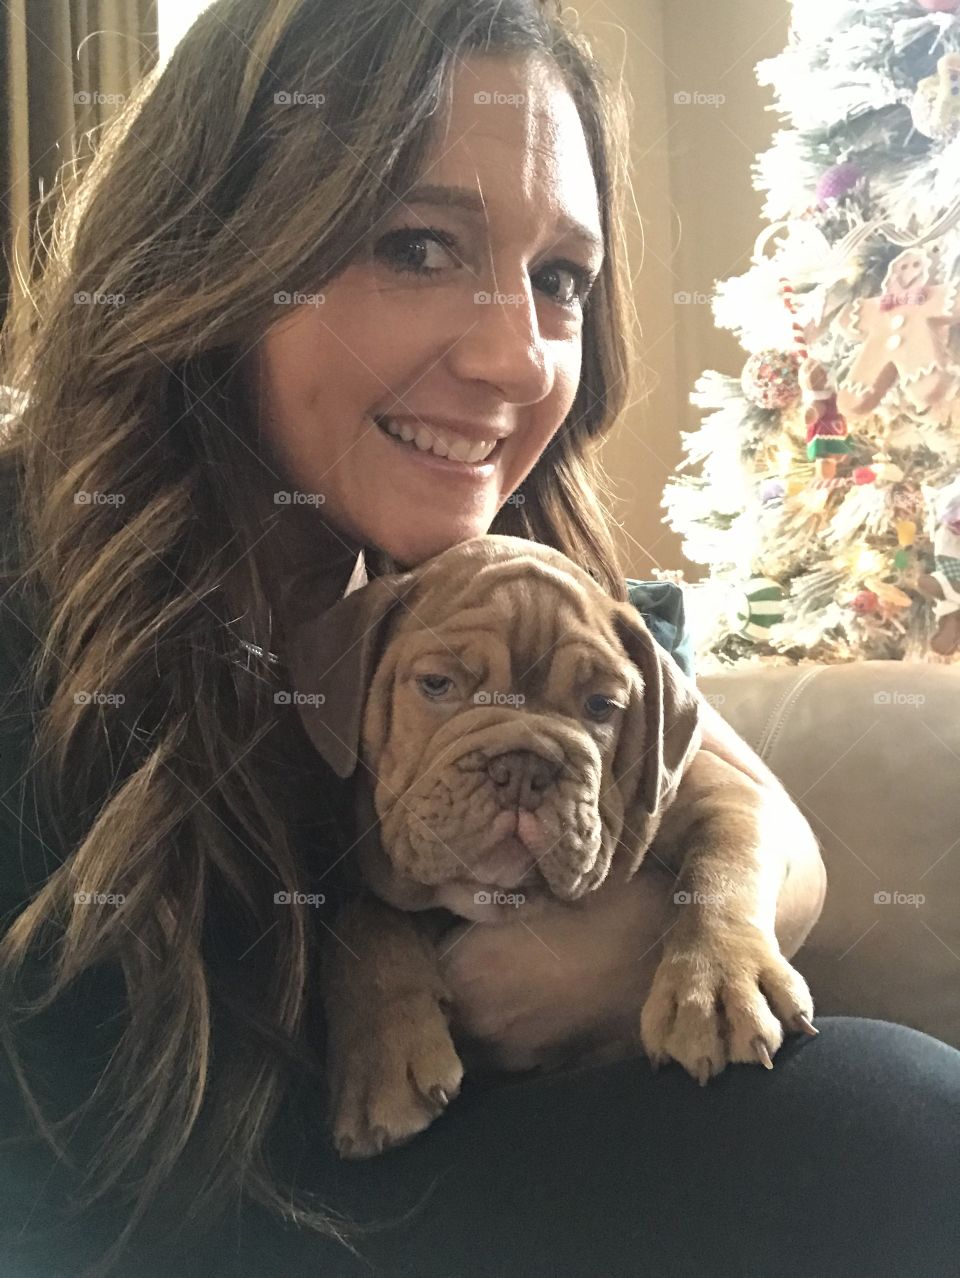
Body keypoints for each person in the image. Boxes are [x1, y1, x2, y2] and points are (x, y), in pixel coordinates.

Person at [0, 1, 957, 1275]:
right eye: (414, 245)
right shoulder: (51, 586)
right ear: (221, 249)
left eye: (561, 279)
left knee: (898, 1117)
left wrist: (634, 942)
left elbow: (761, 819)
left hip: (432, 1178)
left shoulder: (485, 572)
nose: (516, 355)